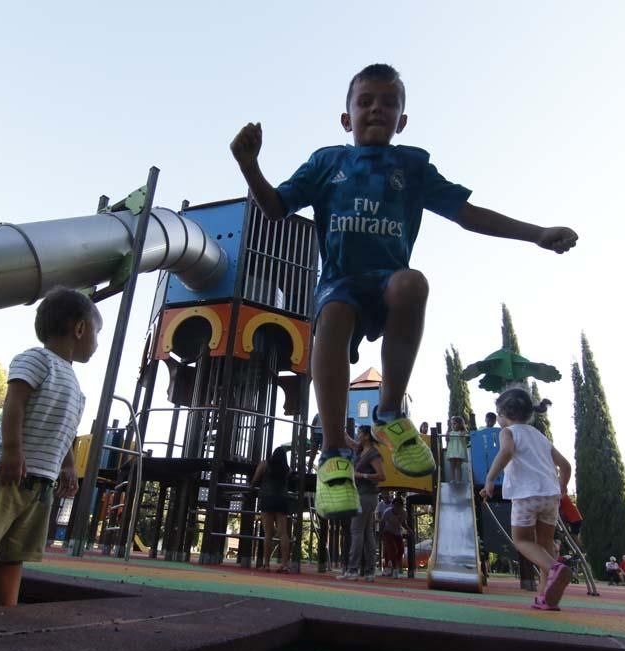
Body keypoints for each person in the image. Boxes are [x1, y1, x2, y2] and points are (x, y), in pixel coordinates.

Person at [230, 64, 579, 520]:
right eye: (365, 101)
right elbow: (275, 208)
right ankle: (334, 452)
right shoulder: (326, 163)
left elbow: (467, 214)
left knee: (413, 281)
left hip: (387, 282)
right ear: (346, 117)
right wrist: (249, 165)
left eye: (389, 102)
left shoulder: (410, 165)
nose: (377, 108)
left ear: (402, 121)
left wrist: (535, 234)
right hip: (340, 284)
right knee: (333, 311)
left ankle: (390, 413)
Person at [0, 287, 100, 609]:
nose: (96, 343)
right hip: (5, 474)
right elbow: (13, 402)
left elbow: (65, 430)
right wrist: (12, 452)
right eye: (96, 333)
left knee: (14, 556)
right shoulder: (37, 359)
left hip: (40, 482)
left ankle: (5, 615)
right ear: (80, 328)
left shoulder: (74, 383)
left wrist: (68, 465)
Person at [480, 389, 573, 611]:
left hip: (525, 495)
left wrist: (490, 479)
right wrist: (562, 486)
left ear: (502, 414)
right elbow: (566, 466)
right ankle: (545, 595)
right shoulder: (540, 436)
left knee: (521, 541)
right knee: (545, 545)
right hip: (550, 496)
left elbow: (506, 452)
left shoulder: (508, 432)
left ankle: (554, 569)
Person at [337, 426, 386, 581]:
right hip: (364, 496)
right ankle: (370, 571)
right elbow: (351, 443)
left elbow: (381, 476)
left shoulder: (373, 453)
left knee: (357, 531)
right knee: (367, 533)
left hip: (366, 496)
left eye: (359, 433)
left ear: (366, 436)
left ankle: (353, 570)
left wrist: (360, 475)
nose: (357, 435)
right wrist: (341, 432)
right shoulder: (362, 450)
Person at [252, 445, 293, 573]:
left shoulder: (264, 464)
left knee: (268, 534)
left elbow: (255, 480)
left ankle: (266, 565)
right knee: (283, 533)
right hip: (282, 500)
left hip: (267, 498)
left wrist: (251, 486)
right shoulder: (287, 469)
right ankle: (285, 565)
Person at [380, 496, 409, 577]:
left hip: (397, 532)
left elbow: (403, 523)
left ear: (402, 507)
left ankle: (394, 564)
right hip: (388, 532)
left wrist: (408, 529)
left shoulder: (404, 513)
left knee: (401, 550)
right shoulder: (387, 512)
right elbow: (382, 523)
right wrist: (381, 534)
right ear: (392, 506)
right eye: (395, 506)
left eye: (399, 506)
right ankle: (394, 568)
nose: (397, 508)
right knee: (392, 549)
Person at [446, 416, 469, 483]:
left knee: (458, 466)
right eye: (452, 424)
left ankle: (459, 480)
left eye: (454, 423)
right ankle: (452, 479)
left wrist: (462, 431)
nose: (452, 425)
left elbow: (463, 434)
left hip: (459, 451)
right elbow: (447, 439)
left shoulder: (462, 432)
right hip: (452, 451)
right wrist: (447, 433)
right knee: (452, 466)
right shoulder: (451, 433)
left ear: (460, 424)